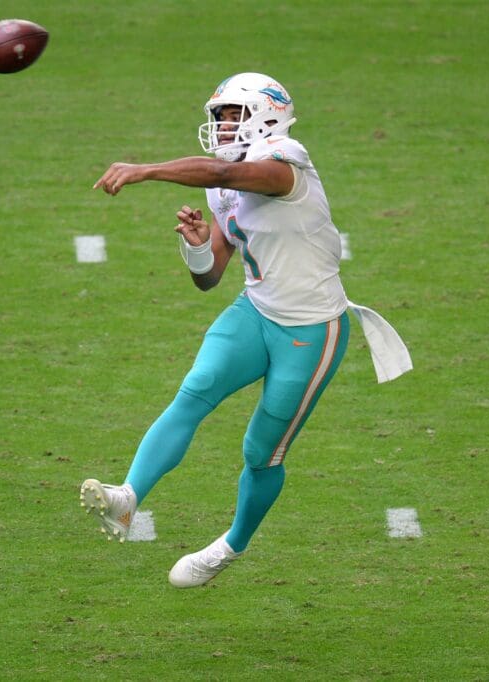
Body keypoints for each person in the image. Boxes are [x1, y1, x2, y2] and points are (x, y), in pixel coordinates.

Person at [80, 72, 411, 588]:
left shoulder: (285, 164)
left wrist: (145, 170)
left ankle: (231, 545)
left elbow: (222, 172)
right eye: (219, 117)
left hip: (311, 330)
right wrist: (195, 245)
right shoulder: (225, 182)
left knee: (261, 454)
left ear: (268, 116)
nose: (224, 126)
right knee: (193, 392)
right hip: (254, 312)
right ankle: (126, 498)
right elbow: (211, 275)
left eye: (234, 115)